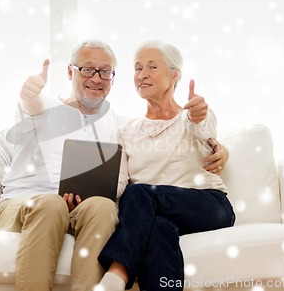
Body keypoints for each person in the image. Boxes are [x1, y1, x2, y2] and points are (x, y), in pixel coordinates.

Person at [0, 39, 230, 291]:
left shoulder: (118, 124)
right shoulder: (47, 105)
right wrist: (30, 95)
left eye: (105, 72)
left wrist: (222, 150)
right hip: (28, 203)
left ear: (113, 79)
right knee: (54, 204)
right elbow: (33, 109)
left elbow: (196, 128)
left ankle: (109, 281)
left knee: (103, 207)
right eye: (88, 69)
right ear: (70, 72)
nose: (96, 78)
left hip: (85, 208)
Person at [96, 40, 236, 291]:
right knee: (159, 229)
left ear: (174, 76)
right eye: (138, 68)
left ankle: (117, 273)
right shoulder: (126, 131)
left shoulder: (190, 117)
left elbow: (204, 126)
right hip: (158, 214)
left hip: (208, 206)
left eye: (152, 67)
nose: (142, 74)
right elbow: (117, 183)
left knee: (139, 192)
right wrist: (86, 197)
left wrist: (198, 114)